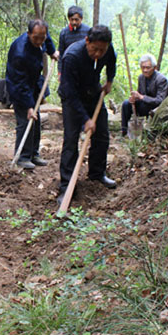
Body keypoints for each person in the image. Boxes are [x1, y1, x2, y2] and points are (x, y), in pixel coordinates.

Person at [57, 25, 117, 206]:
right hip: (72, 98)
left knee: (102, 136)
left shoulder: (107, 49)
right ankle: (67, 186)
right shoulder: (72, 57)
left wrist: (109, 81)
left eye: (102, 50)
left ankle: (97, 174)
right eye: (94, 49)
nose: (98, 54)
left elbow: (112, 62)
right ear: (87, 41)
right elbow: (70, 93)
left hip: (94, 92)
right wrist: (86, 119)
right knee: (70, 140)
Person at [6, 19, 58, 170]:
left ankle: (34, 154)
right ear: (29, 34)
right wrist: (28, 106)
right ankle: (22, 157)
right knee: (25, 120)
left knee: (37, 118)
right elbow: (20, 83)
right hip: (19, 87)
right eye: (36, 37)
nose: (39, 41)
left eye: (42, 37)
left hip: (34, 81)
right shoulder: (20, 52)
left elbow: (47, 41)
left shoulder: (42, 37)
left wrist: (52, 51)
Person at [121, 53, 168, 136]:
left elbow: (160, 100)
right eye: (143, 67)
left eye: (148, 67)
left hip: (157, 108)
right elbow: (140, 95)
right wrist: (134, 99)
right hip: (145, 105)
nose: (145, 70)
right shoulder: (141, 78)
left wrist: (141, 97)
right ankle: (124, 132)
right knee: (126, 104)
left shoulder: (161, 80)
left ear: (154, 68)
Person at [58, 6, 90, 73]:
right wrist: (60, 71)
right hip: (68, 68)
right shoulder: (64, 33)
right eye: (72, 19)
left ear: (81, 18)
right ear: (69, 19)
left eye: (76, 19)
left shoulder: (88, 31)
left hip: (84, 68)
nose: (74, 22)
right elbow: (61, 53)